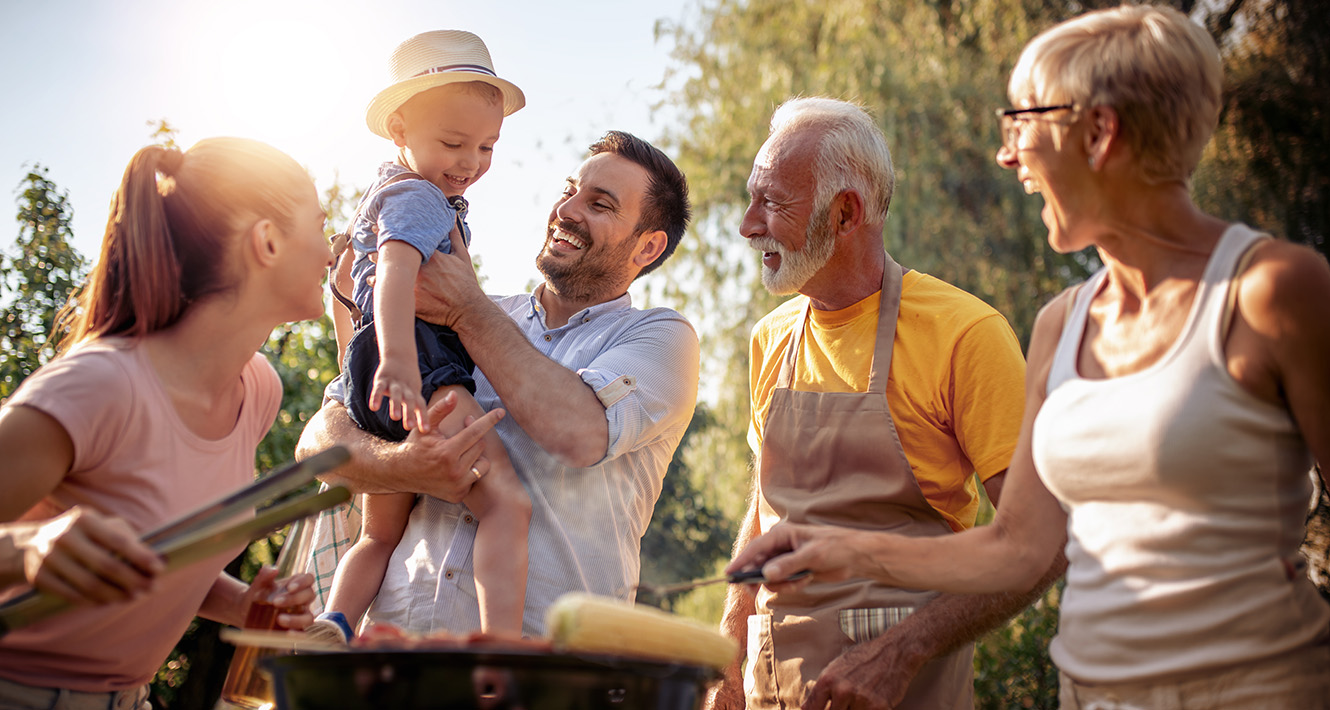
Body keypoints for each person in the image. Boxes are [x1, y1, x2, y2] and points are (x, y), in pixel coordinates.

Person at [730, 6, 1330, 709]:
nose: (1005, 155)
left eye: (1022, 125)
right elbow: (1021, 545)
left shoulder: (1276, 291)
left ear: (1100, 133)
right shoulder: (1061, 323)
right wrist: (845, 554)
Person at [706, 97, 1063, 710]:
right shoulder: (771, 340)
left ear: (846, 213)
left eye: (773, 203)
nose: (746, 224)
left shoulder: (964, 333)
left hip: (901, 690)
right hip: (773, 686)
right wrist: (730, 645)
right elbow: (765, 509)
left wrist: (900, 653)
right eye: (751, 198)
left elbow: (1043, 544)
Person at [298, 130, 700, 638]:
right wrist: (404, 467)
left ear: (648, 246)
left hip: (539, 678)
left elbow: (578, 433)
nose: (567, 210)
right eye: (569, 189)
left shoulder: (661, 337)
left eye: (599, 204)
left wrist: (469, 310)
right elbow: (319, 440)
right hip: (393, 658)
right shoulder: (472, 311)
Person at [0, 138, 325, 709]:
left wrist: (244, 604)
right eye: (320, 226)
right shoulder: (101, 385)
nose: (331, 251)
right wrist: (28, 548)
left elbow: (154, 561)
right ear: (268, 242)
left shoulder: (256, 390)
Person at [311, 29, 531, 644]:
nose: (470, 162)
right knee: (506, 506)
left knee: (377, 534)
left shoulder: (381, 195)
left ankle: (335, 621)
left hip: (370, 372)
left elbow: (358, 295)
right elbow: (397, 277)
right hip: (416, 362)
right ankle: (503, 645)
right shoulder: (420, 197)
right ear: (400, 129)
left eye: (486, 147)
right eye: (454, 143)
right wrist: (404, 365)